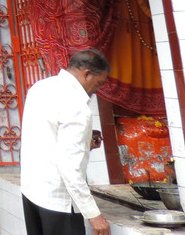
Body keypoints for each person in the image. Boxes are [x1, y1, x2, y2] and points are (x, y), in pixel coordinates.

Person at [20, 49, 111, 235]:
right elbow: (70, 166)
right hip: (58, 201)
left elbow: (46, 135)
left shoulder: (40, 87)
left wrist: (84, 140)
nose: (97, 89)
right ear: (87, 74)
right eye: (99, 83)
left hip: (32, 191)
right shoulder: (77, 105)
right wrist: (93, 214)